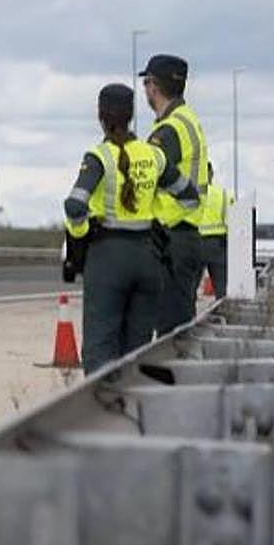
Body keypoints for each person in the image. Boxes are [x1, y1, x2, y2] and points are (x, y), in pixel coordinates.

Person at [64, 84, 199, 374]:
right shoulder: (154, 156)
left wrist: (80, 235)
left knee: (100, 349)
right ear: (132, 115)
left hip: (108, 259)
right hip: (147, 258)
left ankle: (100, 413)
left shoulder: (99, 156)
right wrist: (156, 221)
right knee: (137, 352)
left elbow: (75, 206)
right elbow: (190, 197)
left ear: (101, 115)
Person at [139, 54, 212, 334]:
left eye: (146, 83)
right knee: (180, 325)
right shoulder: (188, 120)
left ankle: (175, 378)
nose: (145, 89)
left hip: (171, 239)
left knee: (171, 332)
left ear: (153, 86)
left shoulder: (169, 130)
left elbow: (144, 176)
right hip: (188, 236)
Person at [199, 163, 232, 298]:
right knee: (222, 288)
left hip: (196, 243)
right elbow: (230, 222)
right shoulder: (223, 194)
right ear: (211, 173)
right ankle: (223, 315)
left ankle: (190, 318)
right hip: (217, 245)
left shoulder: (190, 194)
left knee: (188, 290)